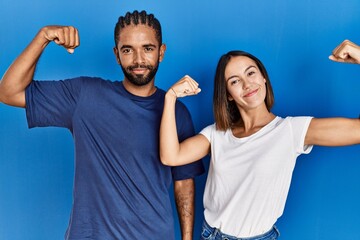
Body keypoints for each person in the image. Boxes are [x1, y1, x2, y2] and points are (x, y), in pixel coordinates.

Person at [0, 10, 204, 240]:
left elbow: (184, 181)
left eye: (147, 48)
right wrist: (43, 37)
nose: (138, 60)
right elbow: (8, 92)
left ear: (161, 52)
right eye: (128, 50)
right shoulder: (84, 96)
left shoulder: (176, 112)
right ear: (117, 55)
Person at [159, 39, 360, 240]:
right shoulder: (216, 134)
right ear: (228, 94)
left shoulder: (290, 131)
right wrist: (170, 98)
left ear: (263, 77)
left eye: (251, 73)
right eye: (235, 81)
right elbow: (171, 156)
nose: (247, 84)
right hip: (211, 234)